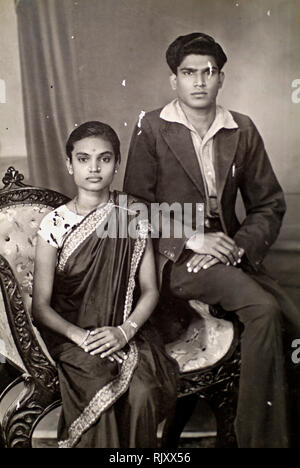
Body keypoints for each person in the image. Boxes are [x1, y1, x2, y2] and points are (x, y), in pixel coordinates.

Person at [124, 32, 300, 448]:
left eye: (209, 72)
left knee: (293, 317)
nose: (199, 81)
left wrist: (237, 247)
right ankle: (258, 441)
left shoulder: (241, 128)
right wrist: (193, 240)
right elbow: (133, 206)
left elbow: (269, 205)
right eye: (189, 73)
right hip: (175, 262)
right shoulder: (152, 126)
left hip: (231, 256)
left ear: (221, 78)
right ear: (174, 81)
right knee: (264, 309)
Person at [32, 121, 178, 448]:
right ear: (69, 165)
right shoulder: (54, 223)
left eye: (105, 159)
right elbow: (40, 306)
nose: (94, 168)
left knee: (143, 390)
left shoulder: (132, 212)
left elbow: (151, 288)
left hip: (126, 327)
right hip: (73, 332)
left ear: (117, 163)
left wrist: (124, 332)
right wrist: (81, 337)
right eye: (83, 159)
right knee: (98, 381)